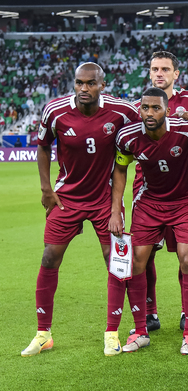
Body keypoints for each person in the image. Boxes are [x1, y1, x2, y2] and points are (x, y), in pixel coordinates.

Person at [21, 63, 138, 357]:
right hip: (67, 198)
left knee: (117, 263)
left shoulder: (122, 112)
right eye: (79, 83)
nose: (84, 89)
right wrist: (46, 188)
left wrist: (186, 118)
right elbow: (43, 145)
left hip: (106, 201)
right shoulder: (55, 111)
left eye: (90, 83)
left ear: (102, 84)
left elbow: (151, 121)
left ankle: (112, 333)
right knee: (49, 257)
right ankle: (43, 333)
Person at [109, 88, 188, 355]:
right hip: (149, 202)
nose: (149, 113)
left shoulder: (187, 130)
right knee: (136, 262)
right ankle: (141, 331)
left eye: (156, 108)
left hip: (185, 201)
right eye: (145, 108)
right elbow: (119, 169)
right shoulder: (128, 136)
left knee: (187, 260)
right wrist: (116, 211)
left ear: (168, 111)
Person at [131, 51, 188, 336]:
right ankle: (150, 312)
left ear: (176, 73)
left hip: (183, 192)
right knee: (145, 257)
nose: (158, 73)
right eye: (154, 69)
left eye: (165, 69)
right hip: (146, 191)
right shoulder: (140, 105)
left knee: (186, 256)